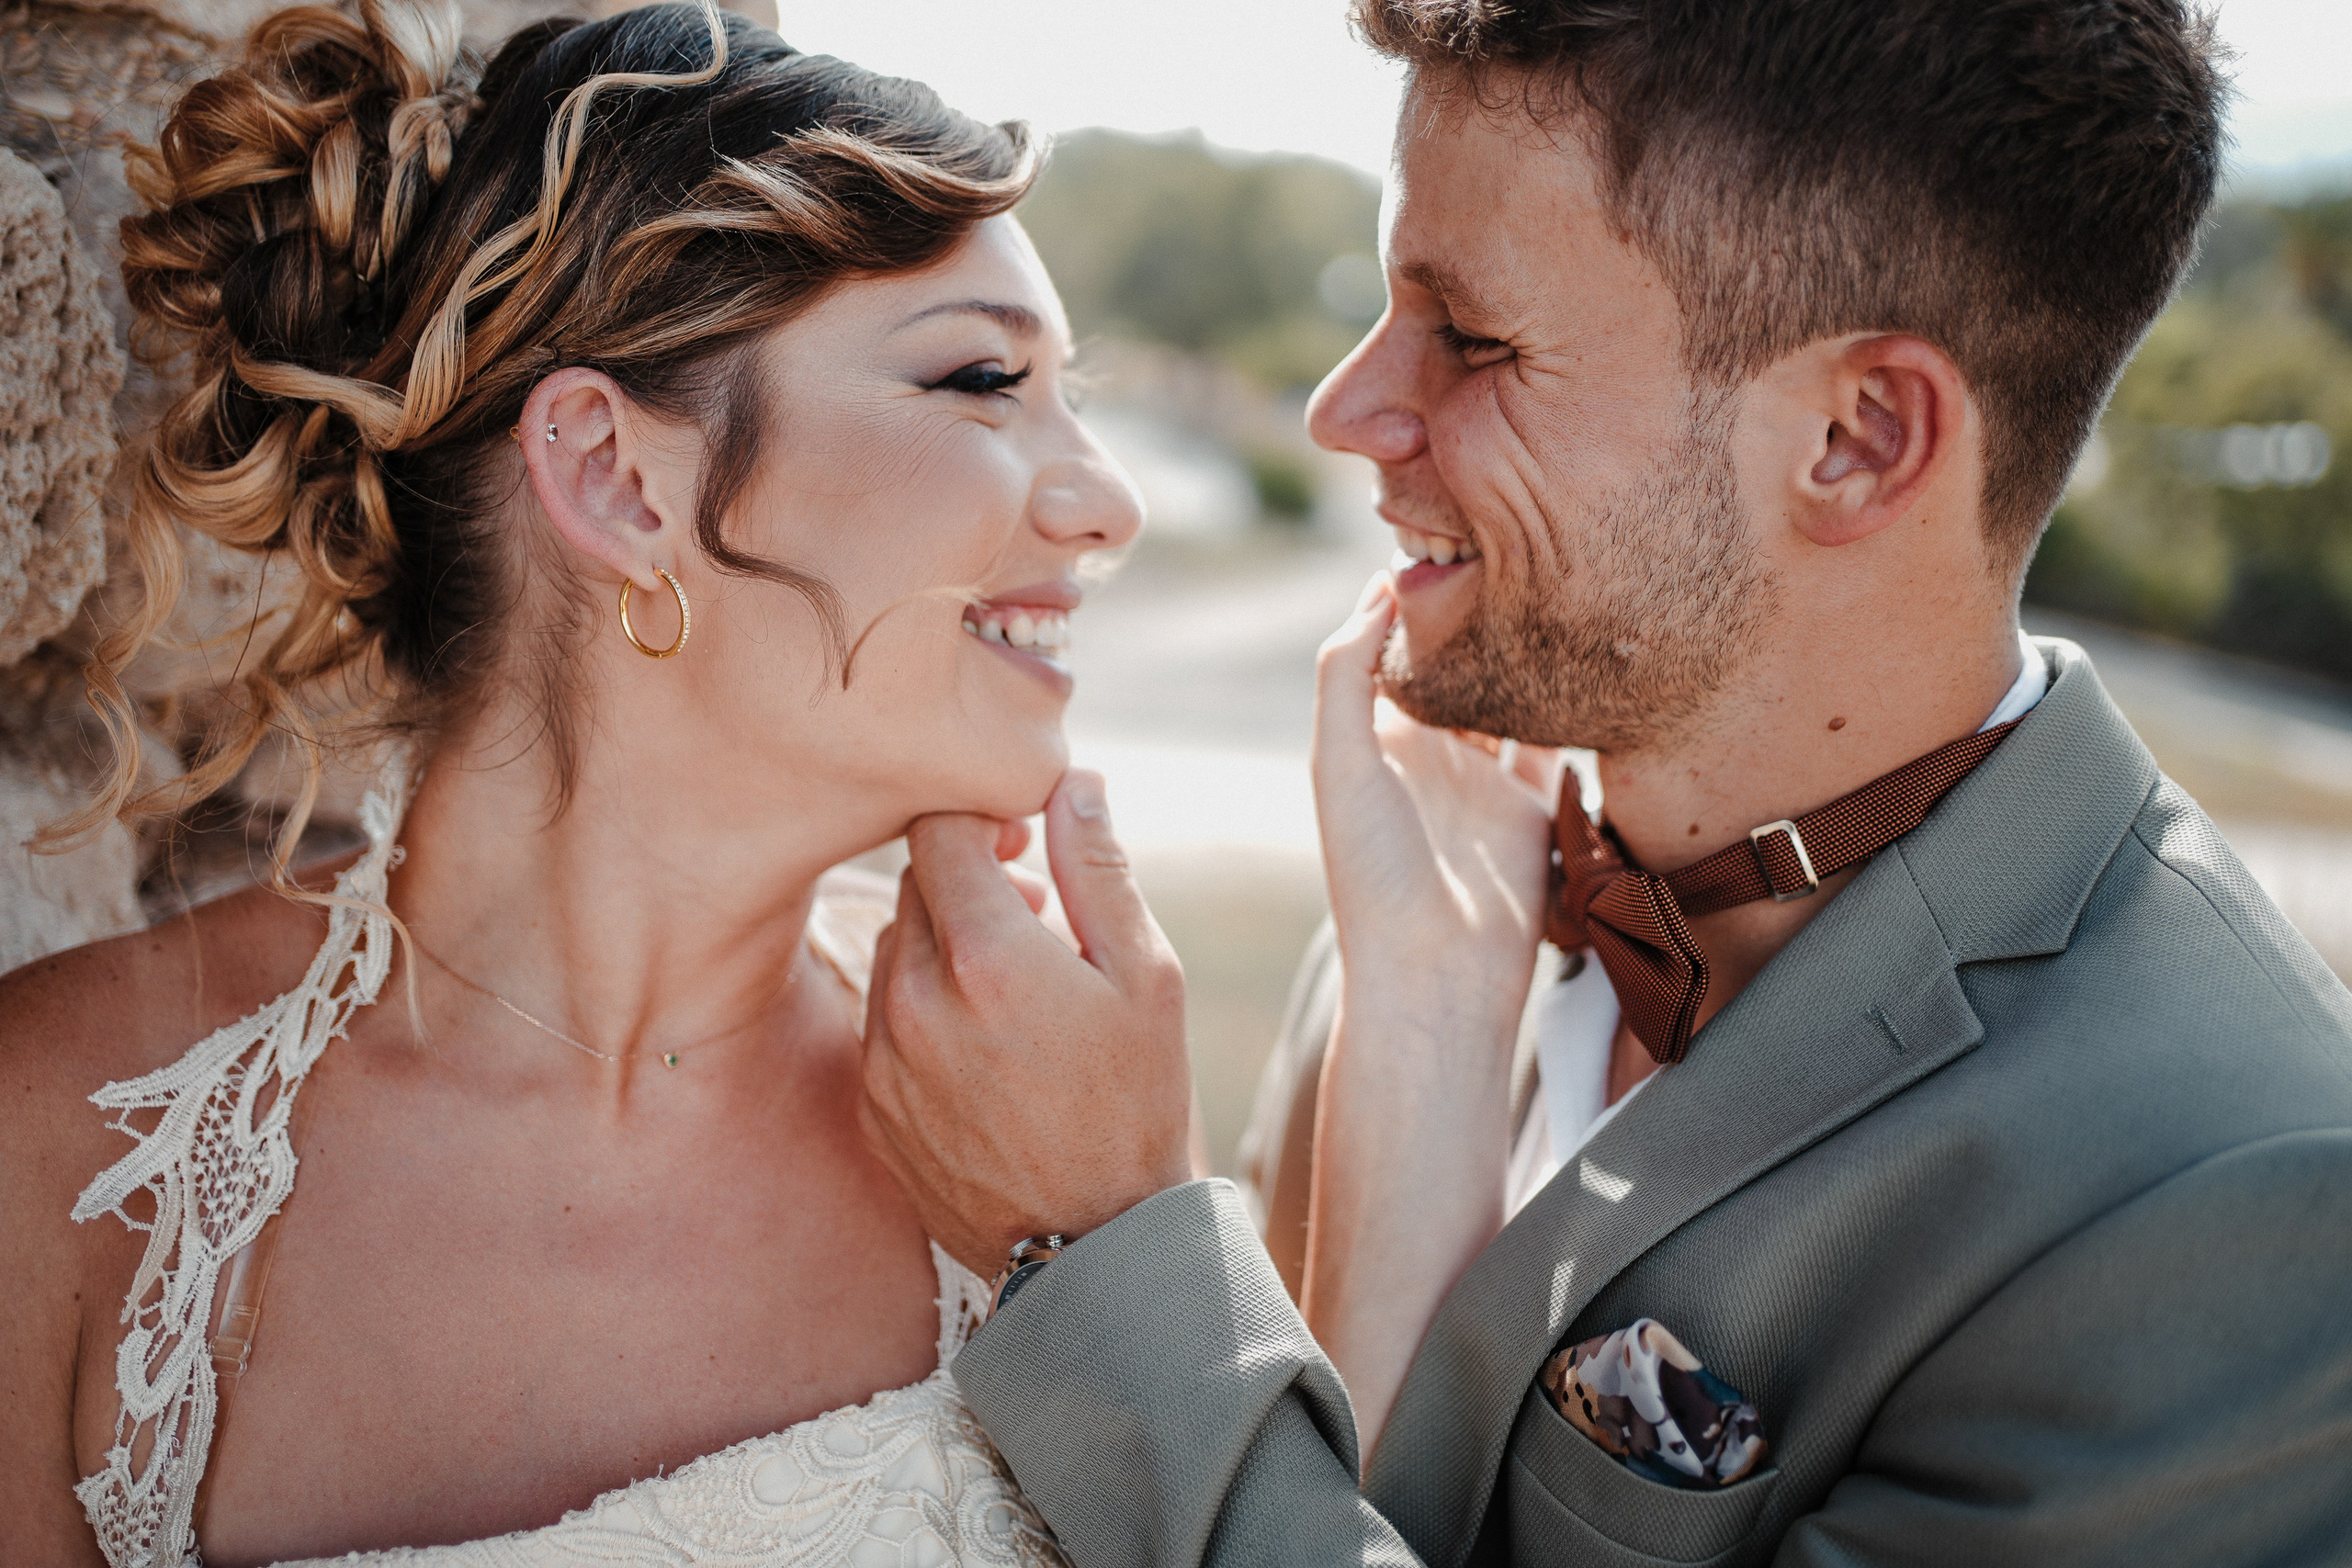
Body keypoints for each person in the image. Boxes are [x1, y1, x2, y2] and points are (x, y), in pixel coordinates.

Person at [857, 1, 2352, 1563]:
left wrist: (1103, 1252)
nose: (1345, 412)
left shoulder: (2236, 1204)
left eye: (1475, 340)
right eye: (1385, 309)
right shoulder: (1429, 901)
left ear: (1858, 438)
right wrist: (1416, 1025)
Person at [0, 2, 1142, 1562]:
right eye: (977, 383)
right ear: (612, 475)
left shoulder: (1047, 1139)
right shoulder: (61, 1143)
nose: (1110, 505)